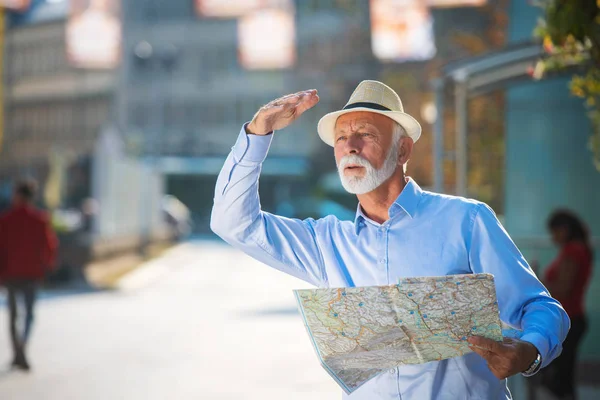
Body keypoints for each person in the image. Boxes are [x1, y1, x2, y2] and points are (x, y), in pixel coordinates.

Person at [210, 80, 570, 399]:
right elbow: (233, 222)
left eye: (365, 134)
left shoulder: (466, 220)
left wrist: (529, 352)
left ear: (403, 151)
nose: (349, 146)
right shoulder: (326, 243)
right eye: (340, 138)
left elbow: (542, 308)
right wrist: (258, 133)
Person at [0, 178, 58, 371]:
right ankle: (22, 347)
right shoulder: (40, 219)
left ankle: (18, 351)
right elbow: (49, 246)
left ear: (18, 196)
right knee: (29, 314)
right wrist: (48, 265)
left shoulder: (6, 219)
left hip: (10, 274)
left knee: (13, 315)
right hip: (32, 273)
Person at [538, 209, 593, 400]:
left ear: (564, 229)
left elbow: (563, 288)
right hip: (572, 317)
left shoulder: (574, 250)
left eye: (554, 232)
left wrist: (537, 283)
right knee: (563, 376)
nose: (553, 237)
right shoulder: (577, 249)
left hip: (569, 319)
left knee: (559, 380)